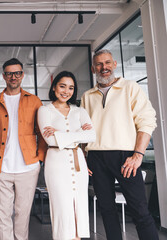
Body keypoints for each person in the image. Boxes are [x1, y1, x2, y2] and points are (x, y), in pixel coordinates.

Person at [81, 49, 159, 240]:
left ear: (114, 64)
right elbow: (82, 132)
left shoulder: (130, 87)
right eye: (99, 64)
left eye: (107, 63)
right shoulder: (87, 96)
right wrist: (83, 158)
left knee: (139, 209)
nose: (104, 67)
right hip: (96, 158)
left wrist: (138, 154)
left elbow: (147, 121)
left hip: (126, 156)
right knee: (106, 210)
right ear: (93, 68)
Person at [0, 58, 47, 240]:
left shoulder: (34, 101)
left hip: (28, 167)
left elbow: (42, 133)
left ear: (22, 75)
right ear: (3, 76)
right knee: (2, 215)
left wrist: (40, 159)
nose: (14, 77)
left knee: (22, 214)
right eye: (9, 73)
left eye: (17, 73)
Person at [37, 71, 96, 240]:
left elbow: (91, 136)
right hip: (56, 164)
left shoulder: (80, 111)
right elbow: (50, 140)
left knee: (80, 206)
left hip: (79, 167)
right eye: (62, 86)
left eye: (71, 88)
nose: (66, 91)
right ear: (54, 87)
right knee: (62, 208)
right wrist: (78, 135)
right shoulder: (44, 110)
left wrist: (60, 134)